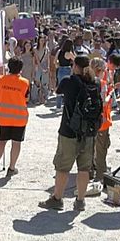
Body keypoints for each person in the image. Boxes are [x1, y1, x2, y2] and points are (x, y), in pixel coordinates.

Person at [40, 56, 99, 212]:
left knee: (62, 167)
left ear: (74, 65)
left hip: (69, 130)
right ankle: (80, 201)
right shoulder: (95, 83)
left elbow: (57, 90)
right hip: (89, 132)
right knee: (84, 169)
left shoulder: (68, 81)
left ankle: (57, 198)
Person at [0, 57, 29, 177]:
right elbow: (26, 99)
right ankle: (11, 168)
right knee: (16, 143)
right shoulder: (25, 82)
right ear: (21, 69)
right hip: (19, 118)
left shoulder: (0, 80)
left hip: (3, 117)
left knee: (1, 140)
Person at [91, 58, 112, 181]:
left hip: (90, 120)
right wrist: (110, 94)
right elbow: (104, 102)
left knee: (90, 147)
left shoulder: (87, 81)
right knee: (101, 148)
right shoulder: (102, 84)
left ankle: (89, 170)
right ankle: (100, 174)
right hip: (102, 121)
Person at [55, 39, 75, 109]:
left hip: (60, 69)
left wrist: (58, 65)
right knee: (68, 88)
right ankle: (66, 104)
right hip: (67, 69)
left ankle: (58, 105)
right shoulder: (69, 53)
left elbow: (55, 62)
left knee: (60, 86)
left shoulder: (59, 51)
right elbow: (75, 60)